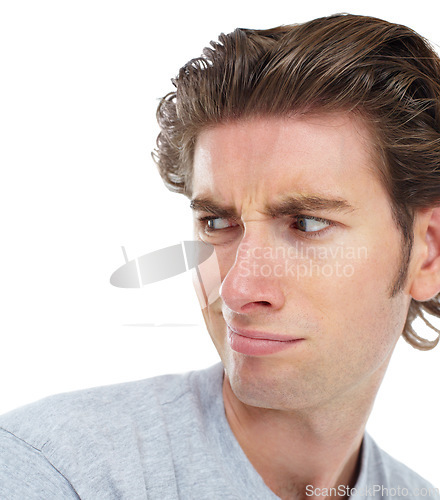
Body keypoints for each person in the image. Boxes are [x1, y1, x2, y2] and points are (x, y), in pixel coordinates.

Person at [1, 13, 440, 500]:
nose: (236, 290)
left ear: (428, 255)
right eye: (217, 222)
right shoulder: (52, 473)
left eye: (308, 223)